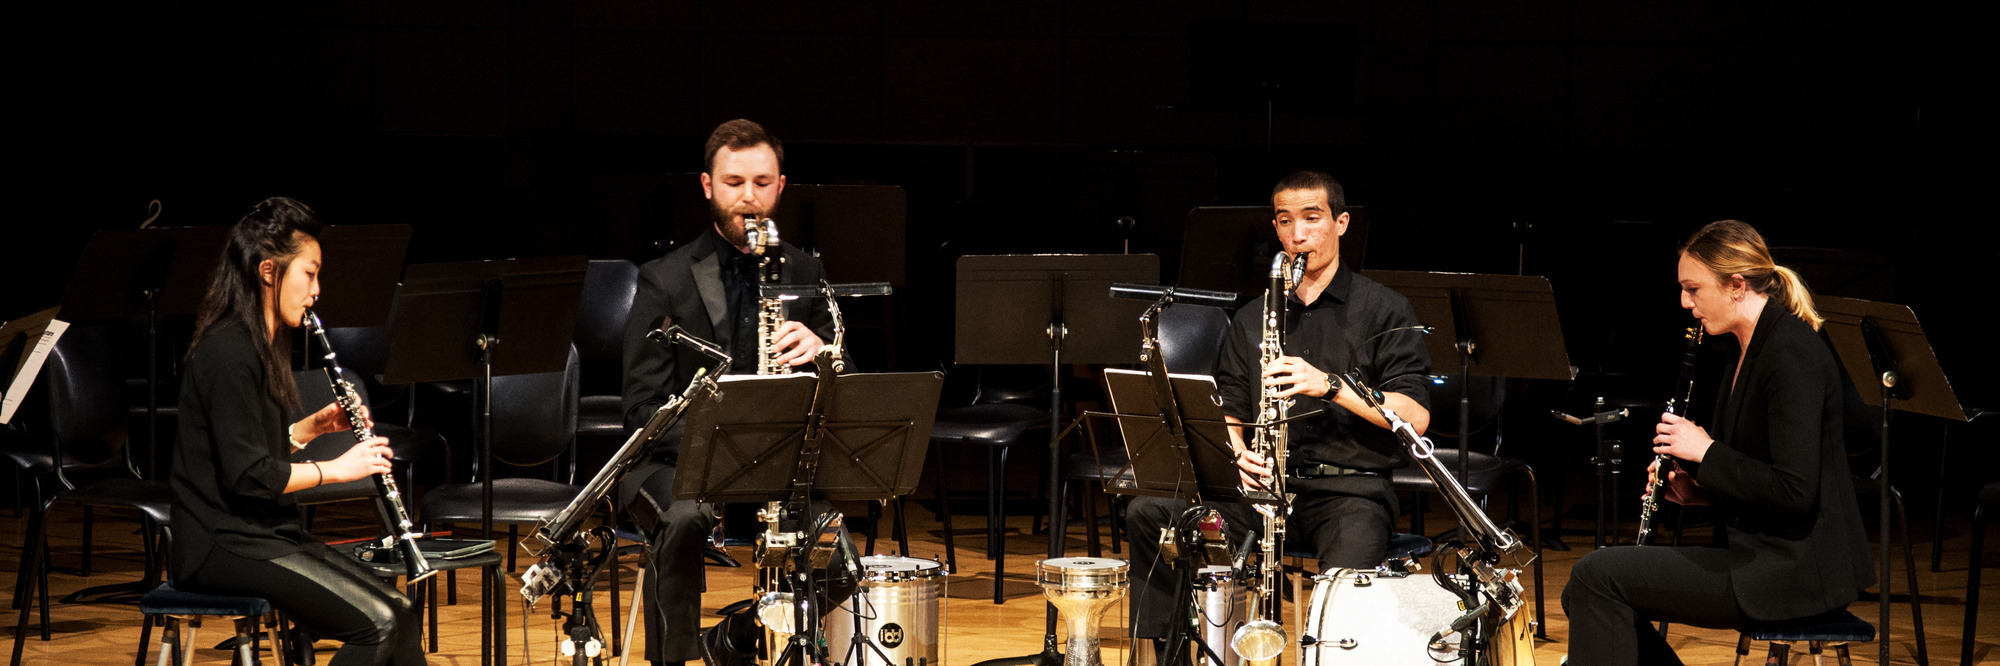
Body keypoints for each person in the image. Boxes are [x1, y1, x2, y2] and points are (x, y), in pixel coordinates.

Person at [1122, 170, 1433, 651]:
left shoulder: (1384, 309)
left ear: (1341, 222)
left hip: (1350, 492)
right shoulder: (1252, 317)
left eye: (1312, 218)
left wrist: (1330, 385)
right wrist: (1238, 453)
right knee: (1151, 512)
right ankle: (1171, 658)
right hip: (1263, 495)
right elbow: (1229, 406)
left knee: (1346, 596)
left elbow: (1415, 416)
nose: (1297, 234)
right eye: (1285, 222)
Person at [1561, 219, 1874, 665]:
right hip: (1761, 555)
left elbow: (1795, 491)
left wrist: (1705, 451)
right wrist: (1701, 491)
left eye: (1693, 289)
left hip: (1792, 572)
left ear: (1736, 285)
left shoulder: (1790, 355)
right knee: (1584, 589)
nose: (1685, 303)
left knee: (1596, 576)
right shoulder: (1743, 347)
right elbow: (1757, 473)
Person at [618, 119, 839, 665]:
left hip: (777, 463)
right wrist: (718, 440)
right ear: (707, 186)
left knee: (837, 547)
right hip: (678, 464)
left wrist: (822, 352)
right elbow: (641, 410)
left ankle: (735, 637)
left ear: (780, 187)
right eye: (734, 182)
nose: (749, 197)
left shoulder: (804, 270)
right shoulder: (664, 278)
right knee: (685, 518)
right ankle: (676, 658)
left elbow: (846, 378)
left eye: (762, 183)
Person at [170, 197, 424, 666]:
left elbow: (248, 448)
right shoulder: (227, 353)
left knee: (401, 609)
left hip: (263, 532)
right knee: (378, 625)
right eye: (309, 273)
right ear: (269, 270)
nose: (316, 289)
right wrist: (338, 469)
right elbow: (248, 476)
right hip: (221, 543)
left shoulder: (261, 346)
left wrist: (309, 429)